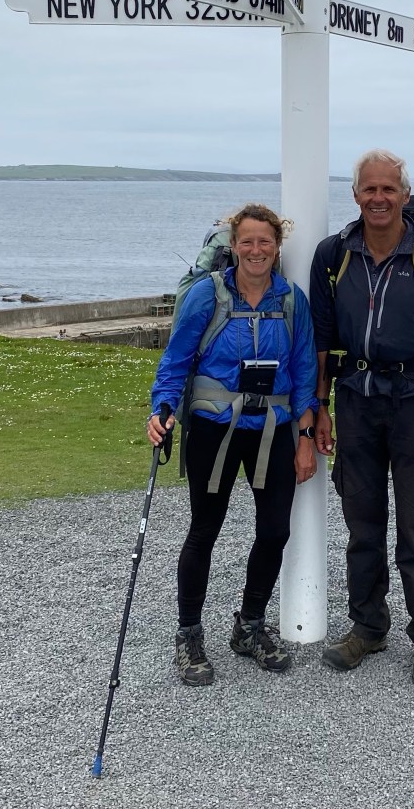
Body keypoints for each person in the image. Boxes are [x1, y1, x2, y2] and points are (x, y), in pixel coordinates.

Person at [309, 150, 414, 687]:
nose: (378, 198)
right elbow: (322, 340)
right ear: (355, 194)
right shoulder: (333, 255)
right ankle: (368, 627)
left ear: (403, 194)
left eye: (388, 189)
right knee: (362, 522)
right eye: (369, 189)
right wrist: (320, 407)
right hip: (355, 400)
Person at [147, 203, 318, 687]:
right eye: (248, 241)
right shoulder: (208, 295)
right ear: (234, 245)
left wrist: (306, 436)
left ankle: (249, 626)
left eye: (265, 241)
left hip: (273, 429)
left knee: (274, 531)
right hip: (214, 429)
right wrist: (161, 408)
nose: (256, 250)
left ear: (277, 247)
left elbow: (304, 369)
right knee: (205, 530)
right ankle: (189, 634)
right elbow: (176, 359)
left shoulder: (291, 301)